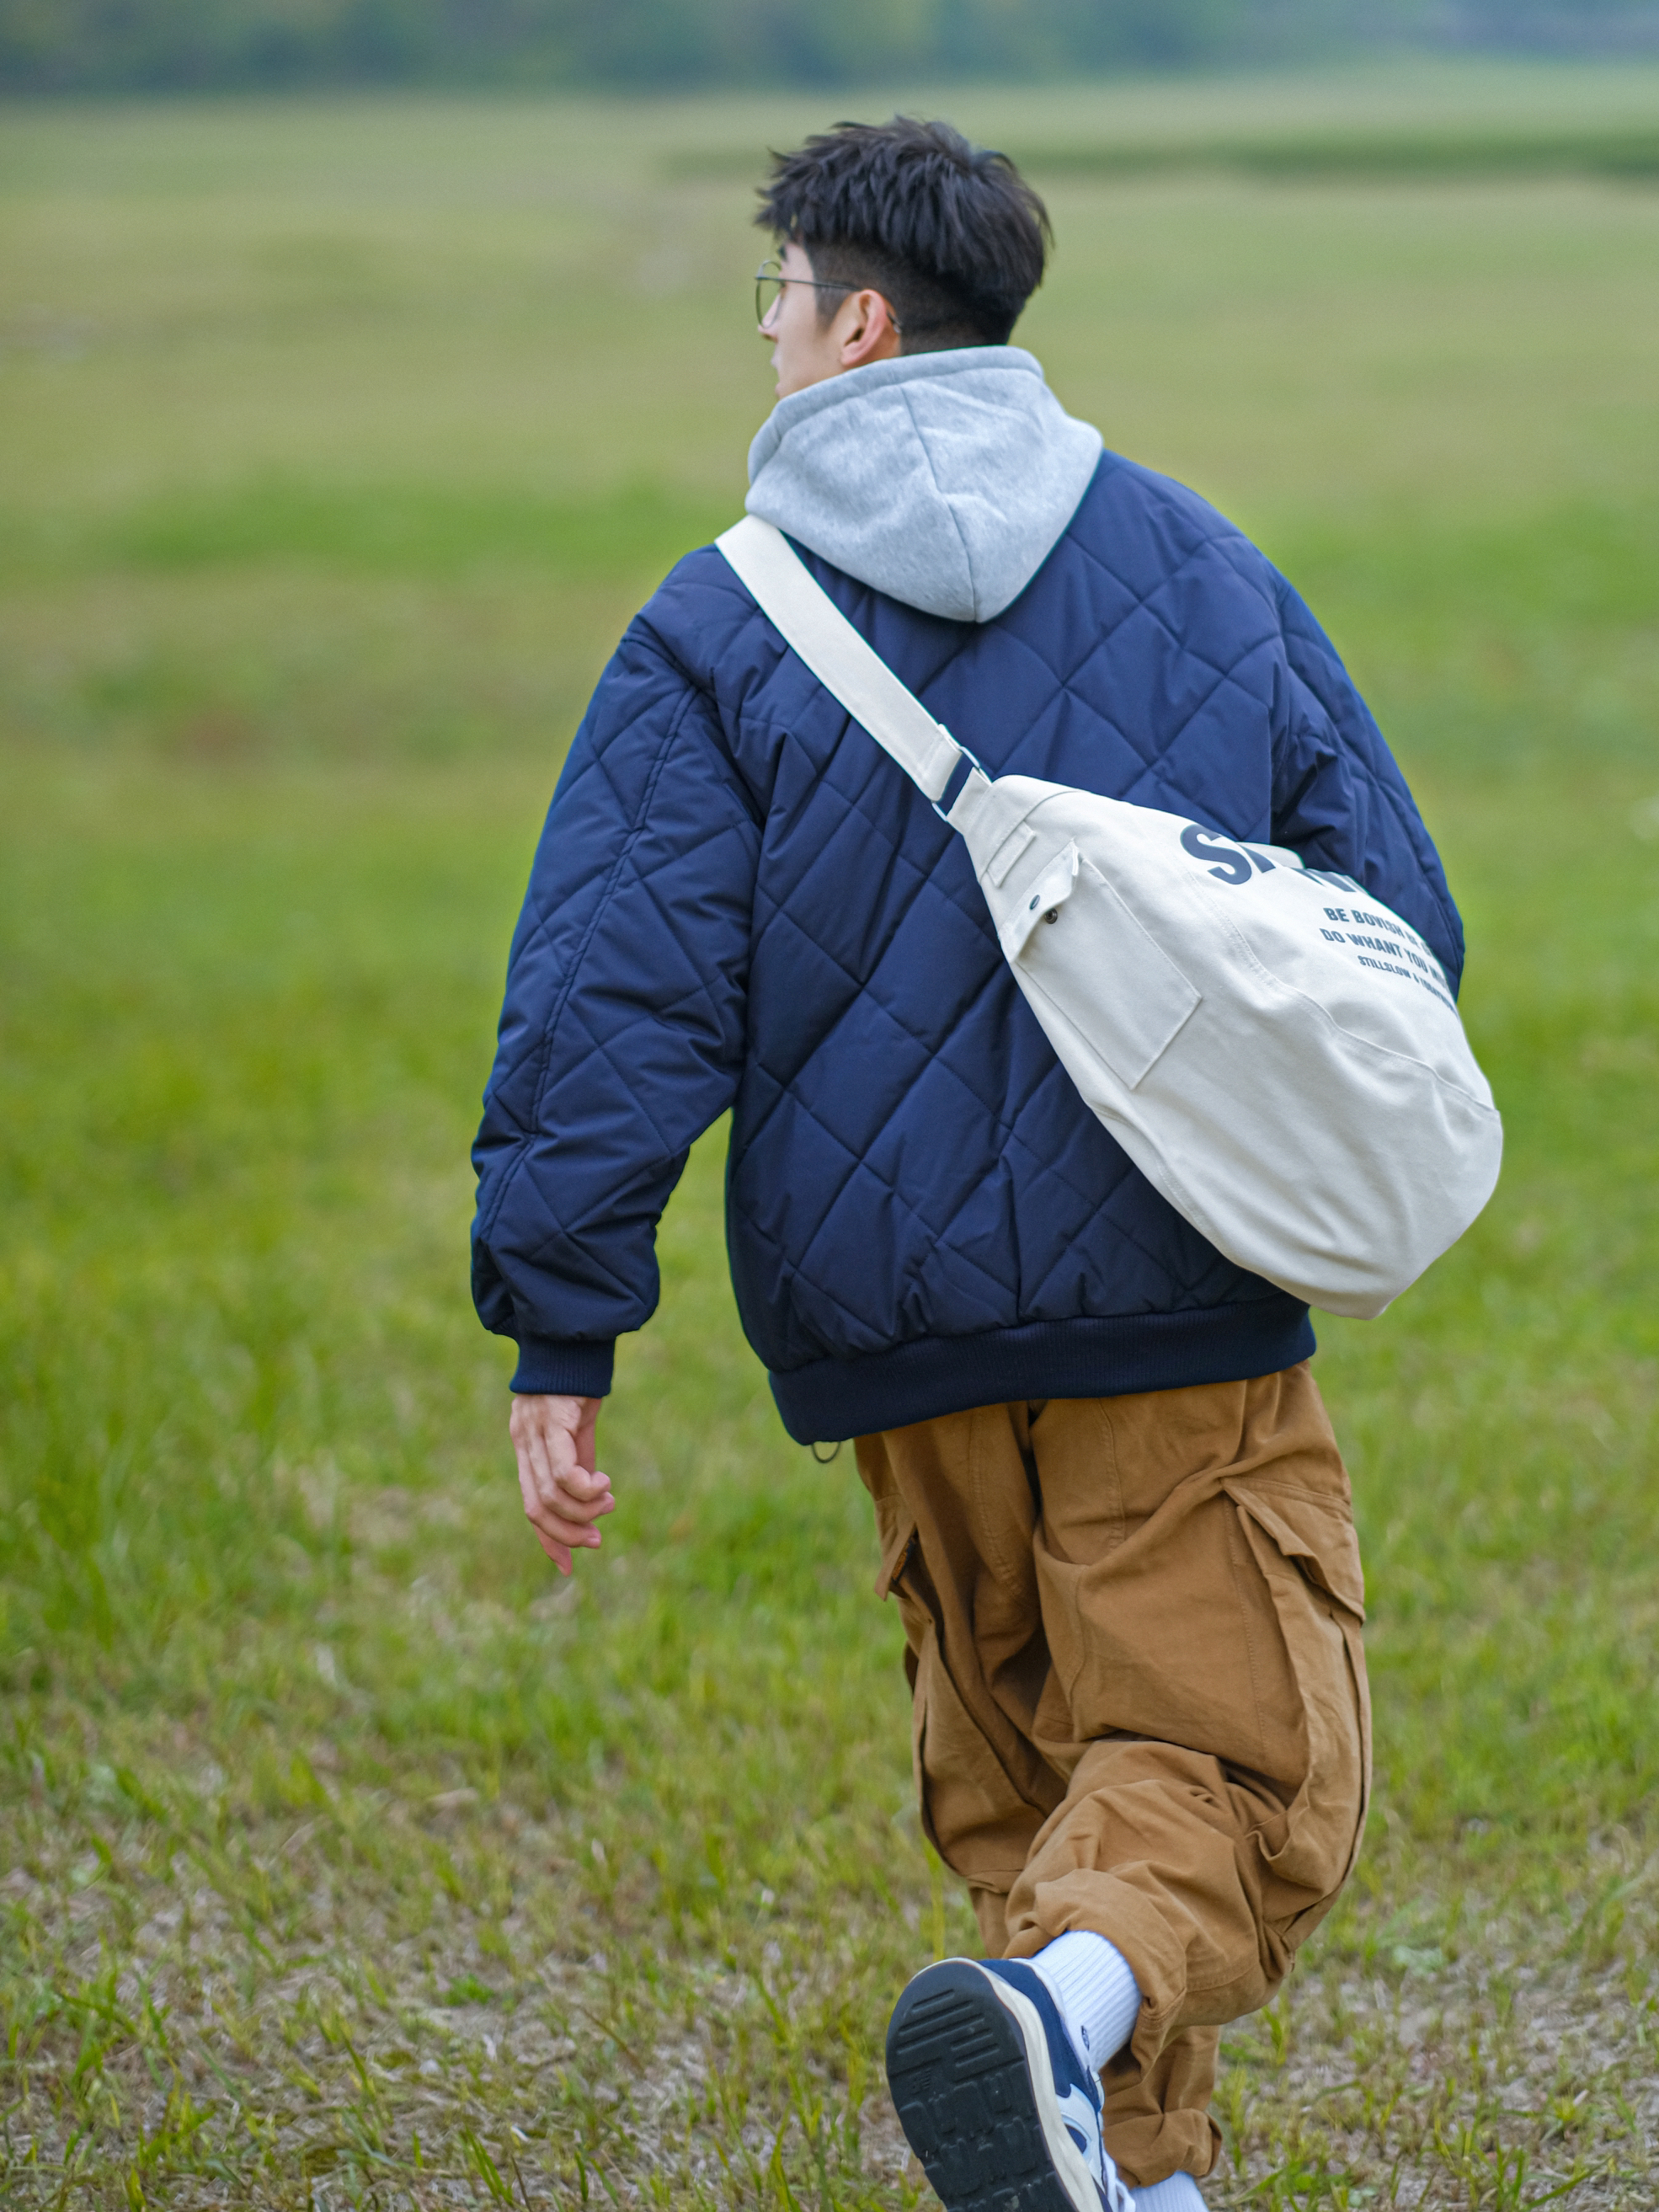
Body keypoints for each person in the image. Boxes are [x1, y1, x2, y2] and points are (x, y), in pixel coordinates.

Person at [472, 118, 1464, 2212]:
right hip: (1176, 1293)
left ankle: (1127, 2169)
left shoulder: (714, 621)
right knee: (1236, 1762)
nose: (762, 335)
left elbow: (612, 989)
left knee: (1041, 1792)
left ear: (855, 321)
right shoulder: (1198, 562)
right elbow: (1394, 921)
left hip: (889, 1330)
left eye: (772, 299)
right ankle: (1051, 2012)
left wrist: (564, 1323)